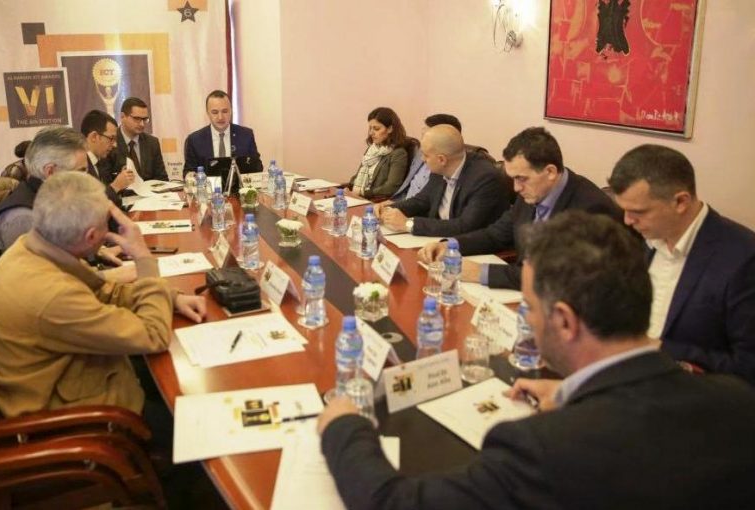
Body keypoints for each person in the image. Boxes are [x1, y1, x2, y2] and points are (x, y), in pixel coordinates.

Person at [318, 211, 755, 510]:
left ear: (563, 320)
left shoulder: (541, 449)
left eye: (528, 306)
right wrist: (577, 394)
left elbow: (391, 502)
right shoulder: (737, 402)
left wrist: (343, 427)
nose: (526, 317)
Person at [0, 172, 206, 418]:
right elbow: (153, 335)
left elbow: (104, 292)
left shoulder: (33, 246)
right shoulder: (53, 295)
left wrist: (171, 296)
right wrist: (142, 256)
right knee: (198, 410)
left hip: (77, 374)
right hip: (84, 419)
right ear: (91, 237)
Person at [609, 144, 755, 384]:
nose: (627, 221)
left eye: (638, 212)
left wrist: (663, 349)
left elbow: (747, 366)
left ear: (680, 202)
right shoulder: (643, 239)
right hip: (627, 375)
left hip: (691, 392)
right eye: (624, 210)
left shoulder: (743, 258)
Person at [418, 127, 620, 289]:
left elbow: (552, 277)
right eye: (513, 179)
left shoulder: (591, 209)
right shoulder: (532, 192)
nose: (516, 188)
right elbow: (495, 235)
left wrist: (480, 272)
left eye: (521, 179)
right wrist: (450, 245)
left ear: (550, 172)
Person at [374, 124, 510, 237]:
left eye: (426, 155)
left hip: (471, 248)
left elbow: (465, 226)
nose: (422, 160)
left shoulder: (484, 178)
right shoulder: (441, 169)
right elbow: (422, 201)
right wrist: (389, 209)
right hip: (438, 239)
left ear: (441, 159)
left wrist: (408, 224)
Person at [0, 126, 88, 255]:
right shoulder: (23, 218)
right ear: (51, 172)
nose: (87, 178)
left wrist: (98, 252)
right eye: (81, 171)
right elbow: (43, 267)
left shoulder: (51, 200)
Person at [183, 89, 262, 173]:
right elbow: (188, 172)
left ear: (231, 111)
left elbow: (258, 168)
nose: (220, 117)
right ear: (207, 113)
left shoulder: (246, 135)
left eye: (225, 111)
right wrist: (191, 175)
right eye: (215, 112)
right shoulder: (195, 140)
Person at [348, 107, 409, 199]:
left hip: (375, 200)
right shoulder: (371, 149)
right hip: (358, 196)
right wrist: (348, 188)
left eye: (376, 129)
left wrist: (363, 193)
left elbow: (391, 187)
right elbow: (357, 176)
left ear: (390, 129)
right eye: (370, 128)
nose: (371, 133)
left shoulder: (398, 154)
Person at [109, 96, 168, 181]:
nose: (142, 124)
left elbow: (162, 178)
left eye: (145, 119)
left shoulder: (152, 142)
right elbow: (105, 182)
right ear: (122, 117)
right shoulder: (110, 141)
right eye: (137, 119)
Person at [81, 109, 135, 197]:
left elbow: (107, 192)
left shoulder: (101, 161)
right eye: (111, 138)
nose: (114, 145)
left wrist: (122, 181)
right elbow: (90, 202)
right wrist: (116, 186)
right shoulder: (79, 167)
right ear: (94, 136)